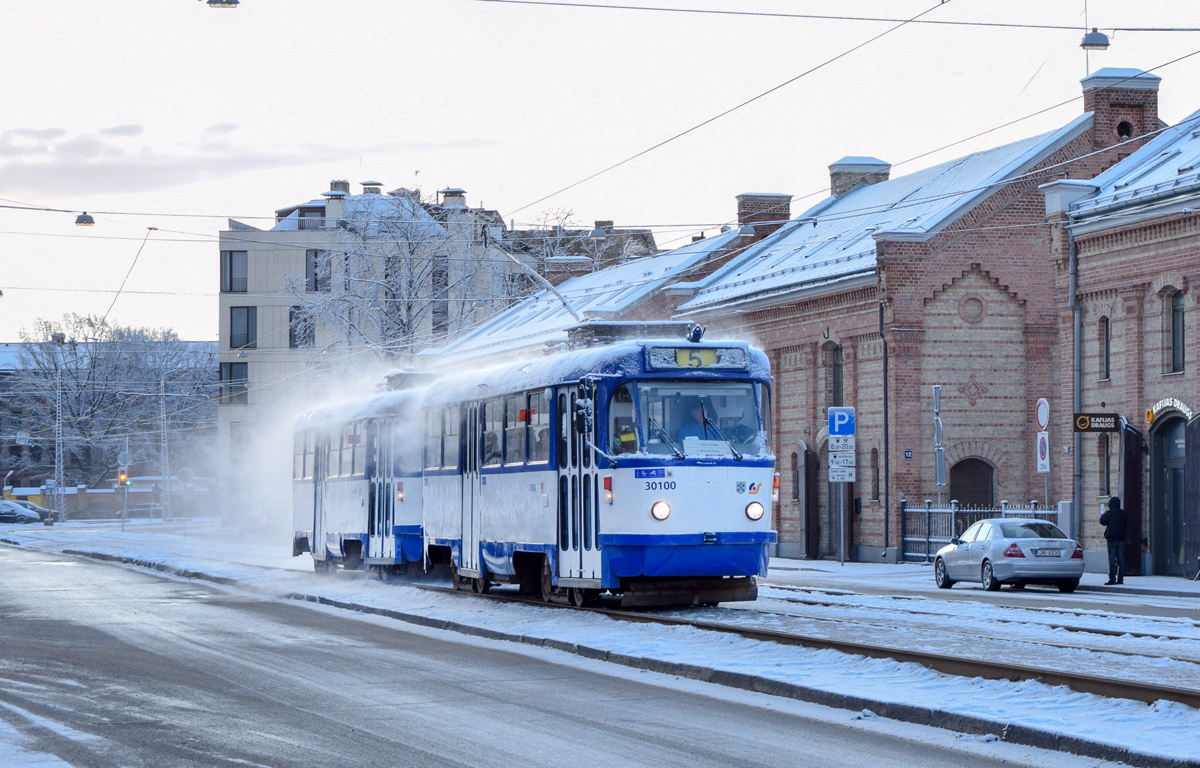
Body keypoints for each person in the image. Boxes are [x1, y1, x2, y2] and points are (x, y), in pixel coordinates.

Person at [1100, 495, 1127, 585]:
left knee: (1112, 559)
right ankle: (1121, 579)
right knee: (1121, 559)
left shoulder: (1110, 513)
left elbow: (1102, 521)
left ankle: (1112, 578)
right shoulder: (1123, 513)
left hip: (1111, 539)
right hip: (1121, 539)